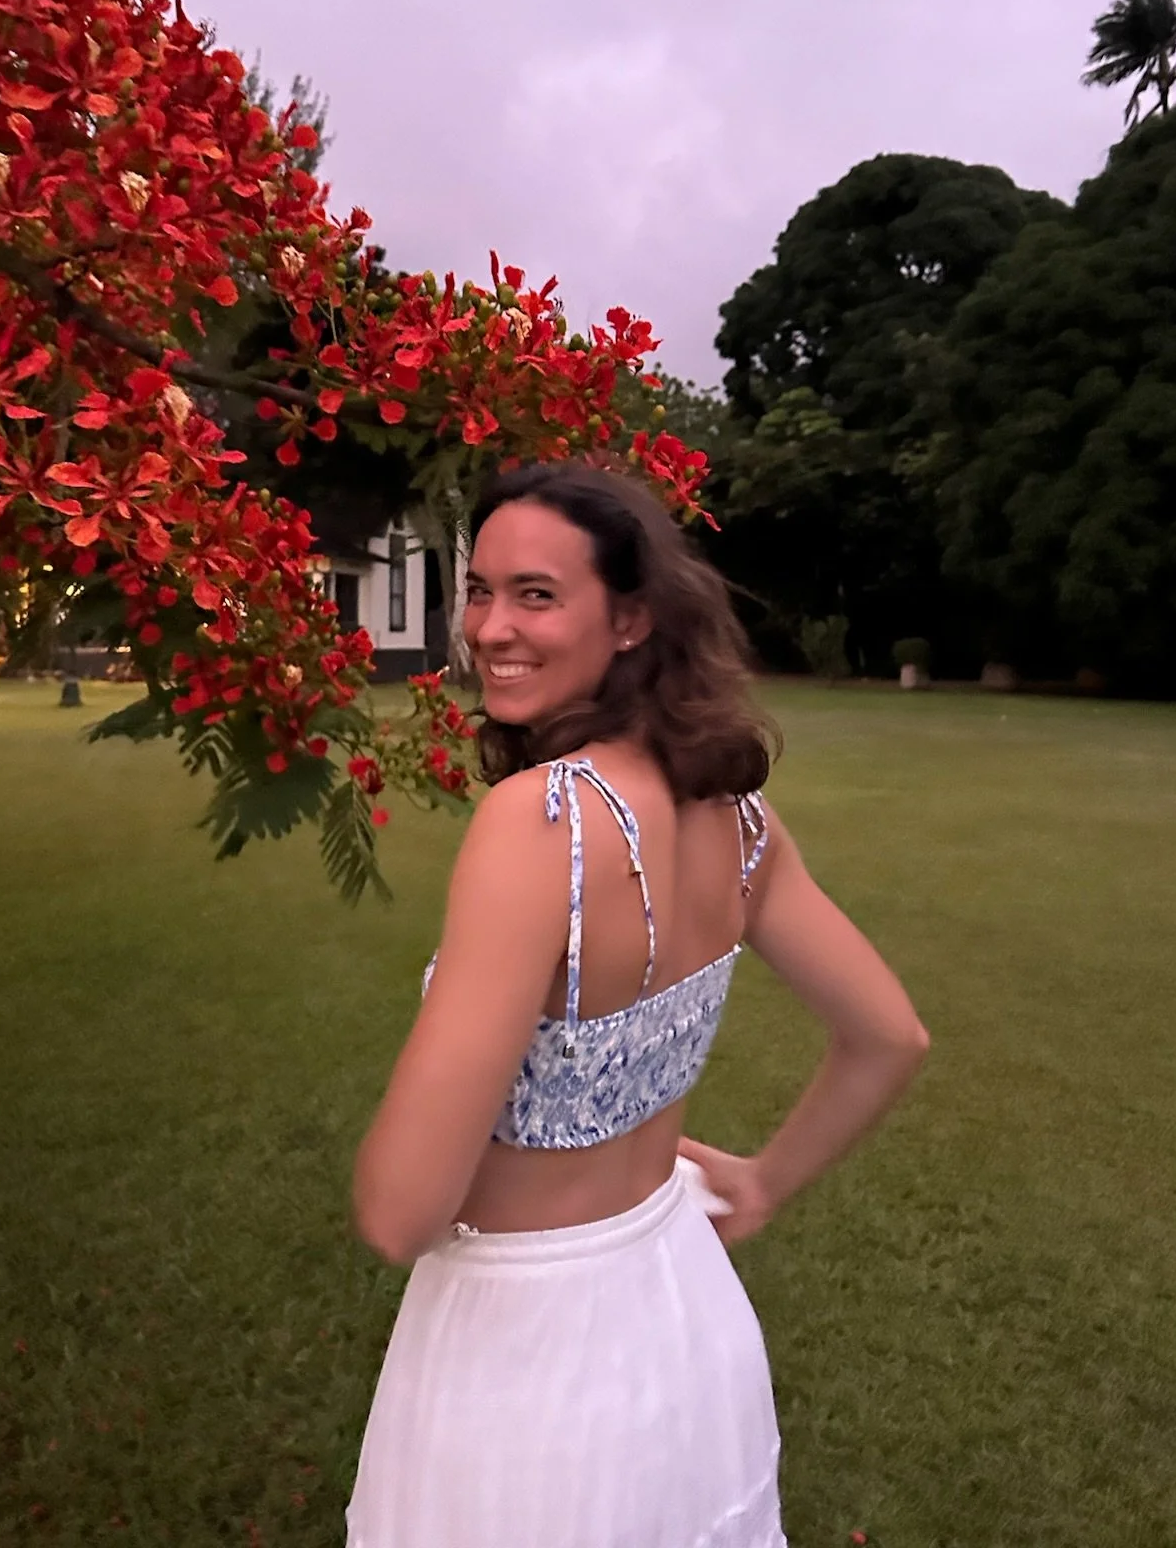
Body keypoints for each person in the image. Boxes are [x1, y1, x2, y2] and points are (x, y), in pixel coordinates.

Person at [347, 462, 930, 1548]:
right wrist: (761, 1180)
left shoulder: (542, 822)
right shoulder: (737, 816)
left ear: (630, 619)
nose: (490, 627)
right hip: (682, 1311)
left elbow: (398, 1213)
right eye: (479, 590)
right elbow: (888, 1035)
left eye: (535, 593)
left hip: (524, 1363)